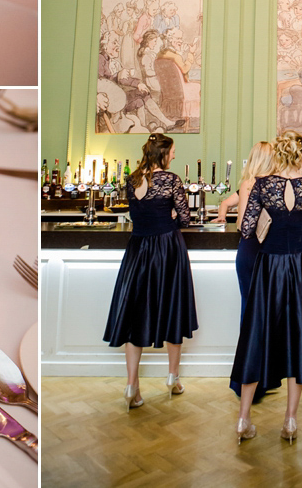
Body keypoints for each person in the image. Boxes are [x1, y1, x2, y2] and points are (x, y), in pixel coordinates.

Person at [230, 129, 302, 445]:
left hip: (271, 266)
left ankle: (244, 418)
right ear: (301, 156)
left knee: (257, 335)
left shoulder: (263, 186)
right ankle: (290, 420)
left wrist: (272, 222)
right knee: (298, 335)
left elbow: (246, 229)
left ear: (278, 154)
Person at [103, 132, 198, 410]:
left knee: (135, 314)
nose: (175, 155)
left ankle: (132, 384)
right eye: (173, 151)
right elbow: (185, 219)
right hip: (168, 249)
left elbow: (134, 215)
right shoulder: (171, 180)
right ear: (163, 154)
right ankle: (172, 377)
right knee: (173, 309)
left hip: (138, 250)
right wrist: (170, 214)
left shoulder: (132, 180)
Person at [218, 142, 276, 404]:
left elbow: (234, 213)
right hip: (257, 254)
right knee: (256, 317)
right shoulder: (256, 185)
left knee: (259, 316)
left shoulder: (255, 185)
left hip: (258, 254)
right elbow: (244, 225)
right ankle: (249, 382)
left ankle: (258, 379)